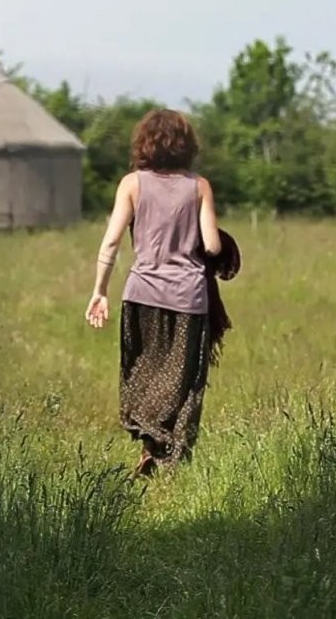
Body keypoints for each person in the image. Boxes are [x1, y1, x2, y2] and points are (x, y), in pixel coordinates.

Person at [85, 108, 222, 477]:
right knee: (185, 382)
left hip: (141, 294)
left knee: (143, 372)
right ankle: (169, 457)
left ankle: (150, 444)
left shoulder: (132, 184)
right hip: (188, 298)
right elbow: (211, 245)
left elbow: (111, 242)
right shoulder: (199, 186)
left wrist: (100, 291)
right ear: (186, 145)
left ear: (144, 143)